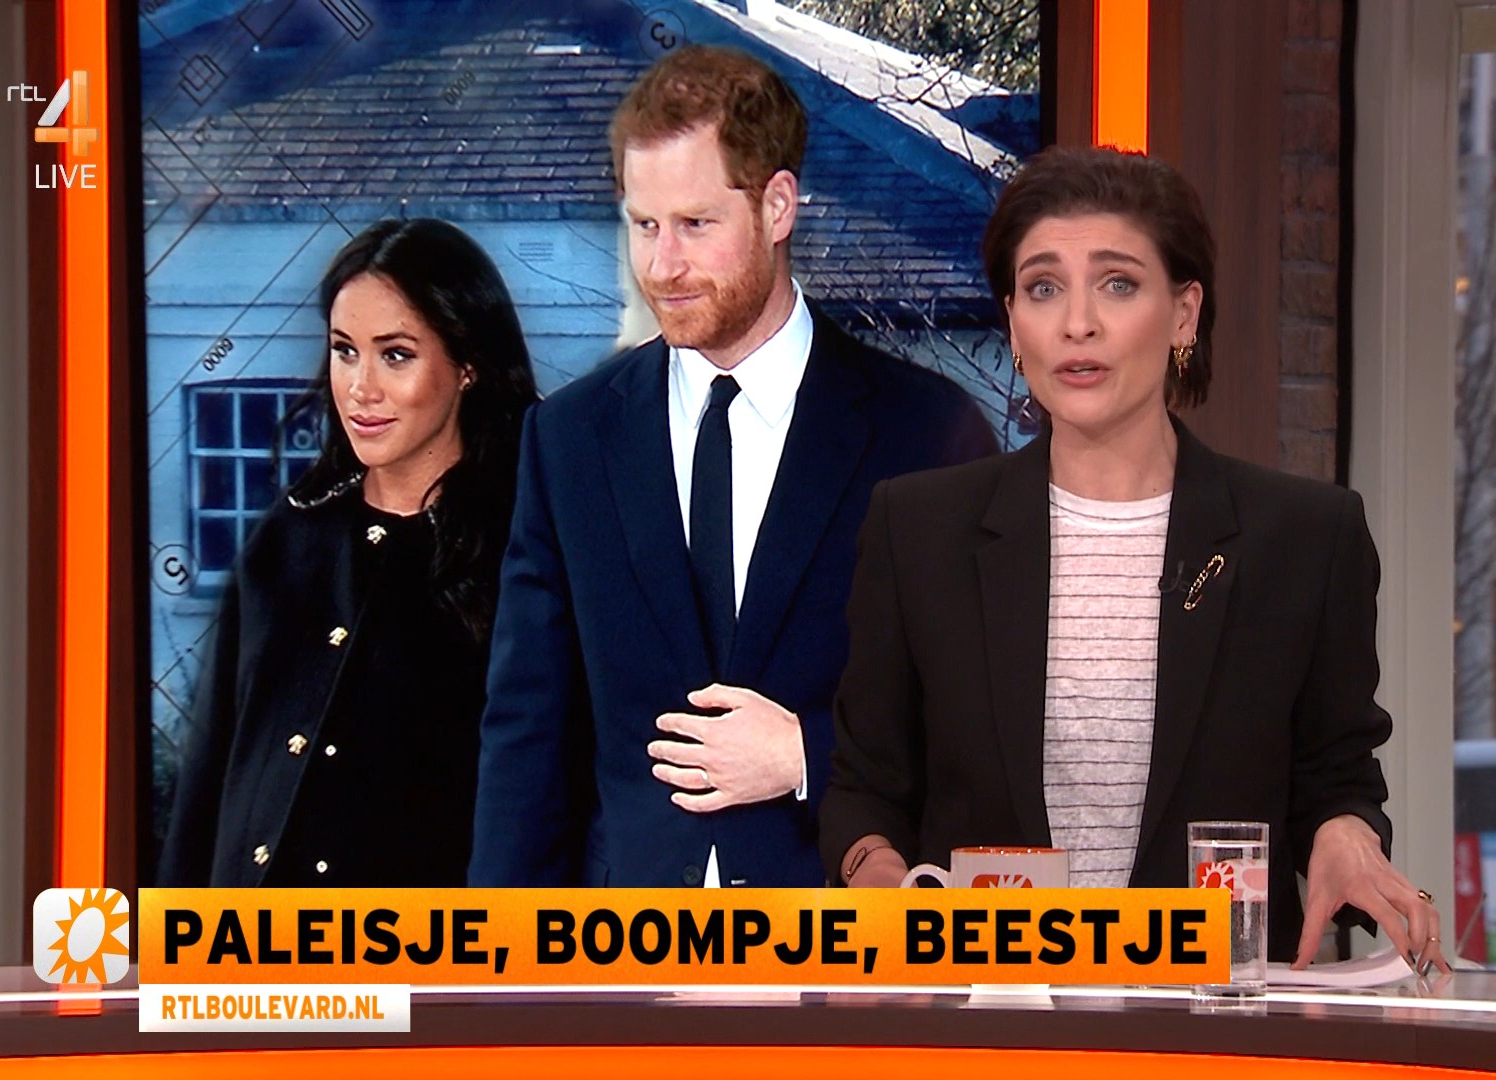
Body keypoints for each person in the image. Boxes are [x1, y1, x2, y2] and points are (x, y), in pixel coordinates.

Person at [819, 146, 1444, 972]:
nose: (1077, 323)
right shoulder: (919, 529)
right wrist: (876, 877)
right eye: (1044, 288)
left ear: (1184, 313)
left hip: (1214, 1013)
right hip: (988, 1008)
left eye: (1117, 284)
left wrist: (1345, 837)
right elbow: (867, 786)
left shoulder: (1303, 536)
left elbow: (1335, 775)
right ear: (1013, 322)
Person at [469, 45, 998, 889]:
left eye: (695, 225)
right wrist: (498, 954)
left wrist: (804, 754)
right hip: (625, 948)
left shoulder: (926, 432)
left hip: (844, 938)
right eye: (644, 225)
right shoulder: (568, 440)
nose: (662, 266)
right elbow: (527, 745)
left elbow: (985, 722)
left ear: (777, 206)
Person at [159, 217, 540, 887]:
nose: (361, 388)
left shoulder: (524, 554)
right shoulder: (288, 538)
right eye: (344, 351)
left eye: (396, 355)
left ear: (468, 365)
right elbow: (211, 776)